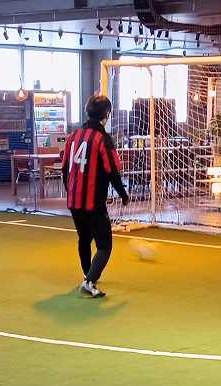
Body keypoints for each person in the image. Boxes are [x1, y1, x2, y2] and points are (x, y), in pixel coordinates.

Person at [62, 94, 129, 298]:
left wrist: (70, 191)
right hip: (93, 203)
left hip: (74, 201)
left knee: (84, 239)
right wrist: (123, 194)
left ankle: (87, 275)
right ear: (106, 114)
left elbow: (64, 168)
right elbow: (112, 171)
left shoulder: (73, 136)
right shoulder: (102, 139)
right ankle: (89, 282)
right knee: (104, 246)